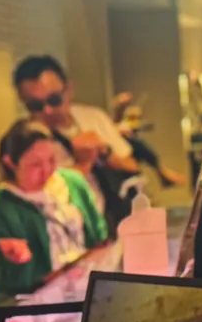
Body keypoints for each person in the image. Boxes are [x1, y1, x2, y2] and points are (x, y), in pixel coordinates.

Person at [0, 119, 107, 296]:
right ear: (10, 163)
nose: (47, 171)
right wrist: (17, 262)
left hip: (86, 289)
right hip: (40, 302)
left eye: (51, 160)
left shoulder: (73, 183)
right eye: (36, 165)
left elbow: (99, 235)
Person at [13, 55, 140, 224]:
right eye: (35, 106)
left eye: (54, 100)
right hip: (66, 228)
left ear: (69, 90)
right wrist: (82, 164)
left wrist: (104, 152)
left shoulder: (93, 117)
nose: (48, 110)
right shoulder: (25, 141)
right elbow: (40, 199)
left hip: (110, 219)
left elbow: (132, 166)